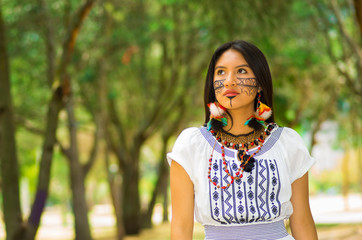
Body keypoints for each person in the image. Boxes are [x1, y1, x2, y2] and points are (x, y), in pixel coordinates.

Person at [167, 40, 318, 240]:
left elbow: (302, 221)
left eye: (242, 71)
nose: (229, 81)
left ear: (260, 83)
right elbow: (180, 227)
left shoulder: (288, 143)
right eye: (221, 72)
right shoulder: (191, 145)